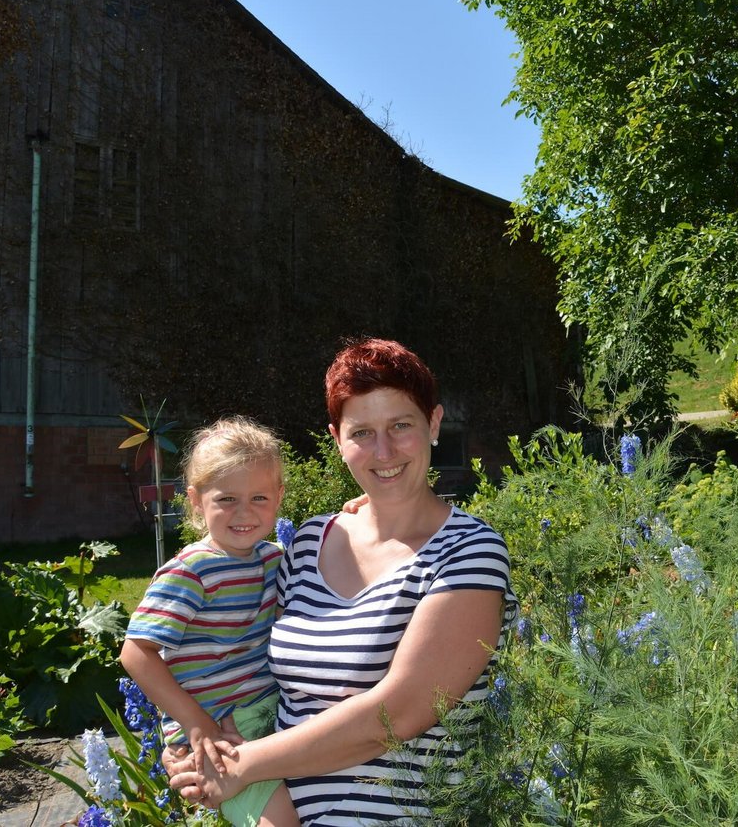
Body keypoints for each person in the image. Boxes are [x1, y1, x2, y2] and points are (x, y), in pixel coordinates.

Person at [169, 336, 518, 824]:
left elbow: (398, 714)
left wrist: (240, 767)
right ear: (337, 439)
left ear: (434, 424)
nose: (384, 451)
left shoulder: (470, 553)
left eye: (401, 425)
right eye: (362, 433)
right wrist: (199, 744)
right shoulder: (309, 541)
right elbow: (236, 656)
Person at [121, 416, 299, 827]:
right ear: (196, 501)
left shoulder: (274, 558)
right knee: (281, 820)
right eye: (226, 499)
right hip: (218, 733)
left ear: (279, 496)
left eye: (259, 498)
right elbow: (136, 653)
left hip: (270, 717)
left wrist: (358, 508)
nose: (244, 513)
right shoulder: (192, 571)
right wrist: (195, 725)